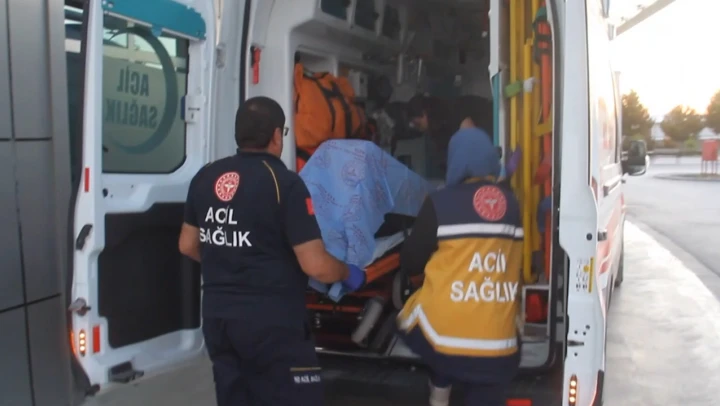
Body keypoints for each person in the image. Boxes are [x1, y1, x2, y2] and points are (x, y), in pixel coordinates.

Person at [178, 96, 366, 406]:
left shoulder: (206, 176)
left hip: (218, 318)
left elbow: (187, 244)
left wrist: (231, 259)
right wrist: (347, 273)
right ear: (277, 135)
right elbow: (316, 266)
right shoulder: (285, 184)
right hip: (271, 323)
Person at [396, 126, 524, 406]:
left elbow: (411, 261)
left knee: (425, 315)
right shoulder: (512, 205)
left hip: (446, 345)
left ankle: (439, 389)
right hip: (499, 349)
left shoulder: (440, 202)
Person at [407, 94, 494, 176]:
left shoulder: (459, 108)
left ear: (424, 112)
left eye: (416, 122)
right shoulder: (438, 138)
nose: (415, 126)